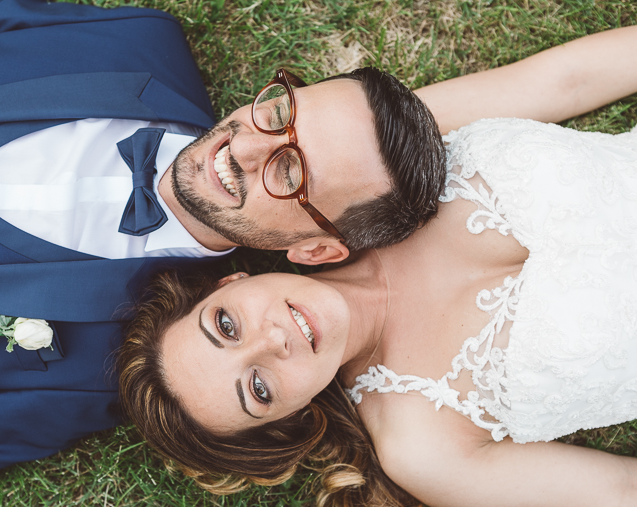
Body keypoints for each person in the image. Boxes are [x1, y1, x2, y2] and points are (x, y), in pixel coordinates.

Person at [117, 26, 637, 507]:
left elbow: (565, 81)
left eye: (226, 326)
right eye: (259, 387)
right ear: (293, 414)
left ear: (231, 282)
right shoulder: (425, 450)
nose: (272, 342)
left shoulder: (360, 163)